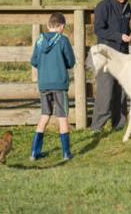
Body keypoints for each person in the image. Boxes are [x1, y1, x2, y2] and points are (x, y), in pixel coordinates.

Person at [30, 12, 76, 161]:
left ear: (48, 25)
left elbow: (34, 61)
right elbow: (71, 62)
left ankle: (34, 152)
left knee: (44, 116)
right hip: (59, 84)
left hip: (44, 84)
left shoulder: (39, 40)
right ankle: (66, 153)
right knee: (62, 117)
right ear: (61, 26)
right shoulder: (63, 40)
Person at [90, 0, 131, 131]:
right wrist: (119, 36)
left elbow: (126, 27)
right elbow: (99, 30)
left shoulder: (127, 6)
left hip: (122, 54)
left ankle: (119, 124)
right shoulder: (103, 6)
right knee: (105, 92)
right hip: (106, 54)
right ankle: (97, 127)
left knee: (121, 91)